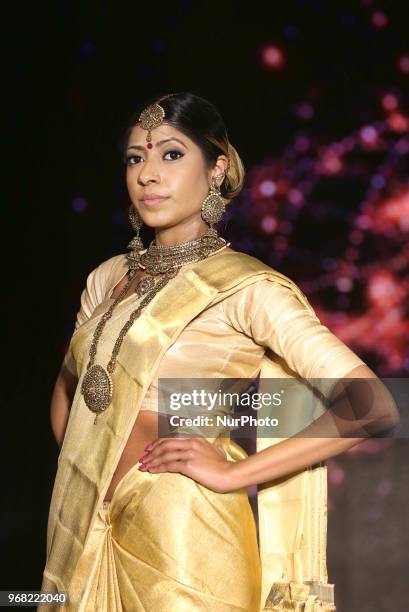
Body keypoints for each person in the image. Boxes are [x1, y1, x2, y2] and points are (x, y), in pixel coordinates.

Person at [39, 92, 399, 611]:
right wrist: (87, 471)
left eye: (172, 154)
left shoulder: (248, 288)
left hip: (185, 540)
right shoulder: (106, 279)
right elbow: (68, 391)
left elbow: (372, 407)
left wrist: (232, 473)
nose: (147, 174)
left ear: (216, 170)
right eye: (136, 157)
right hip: (82, 532)